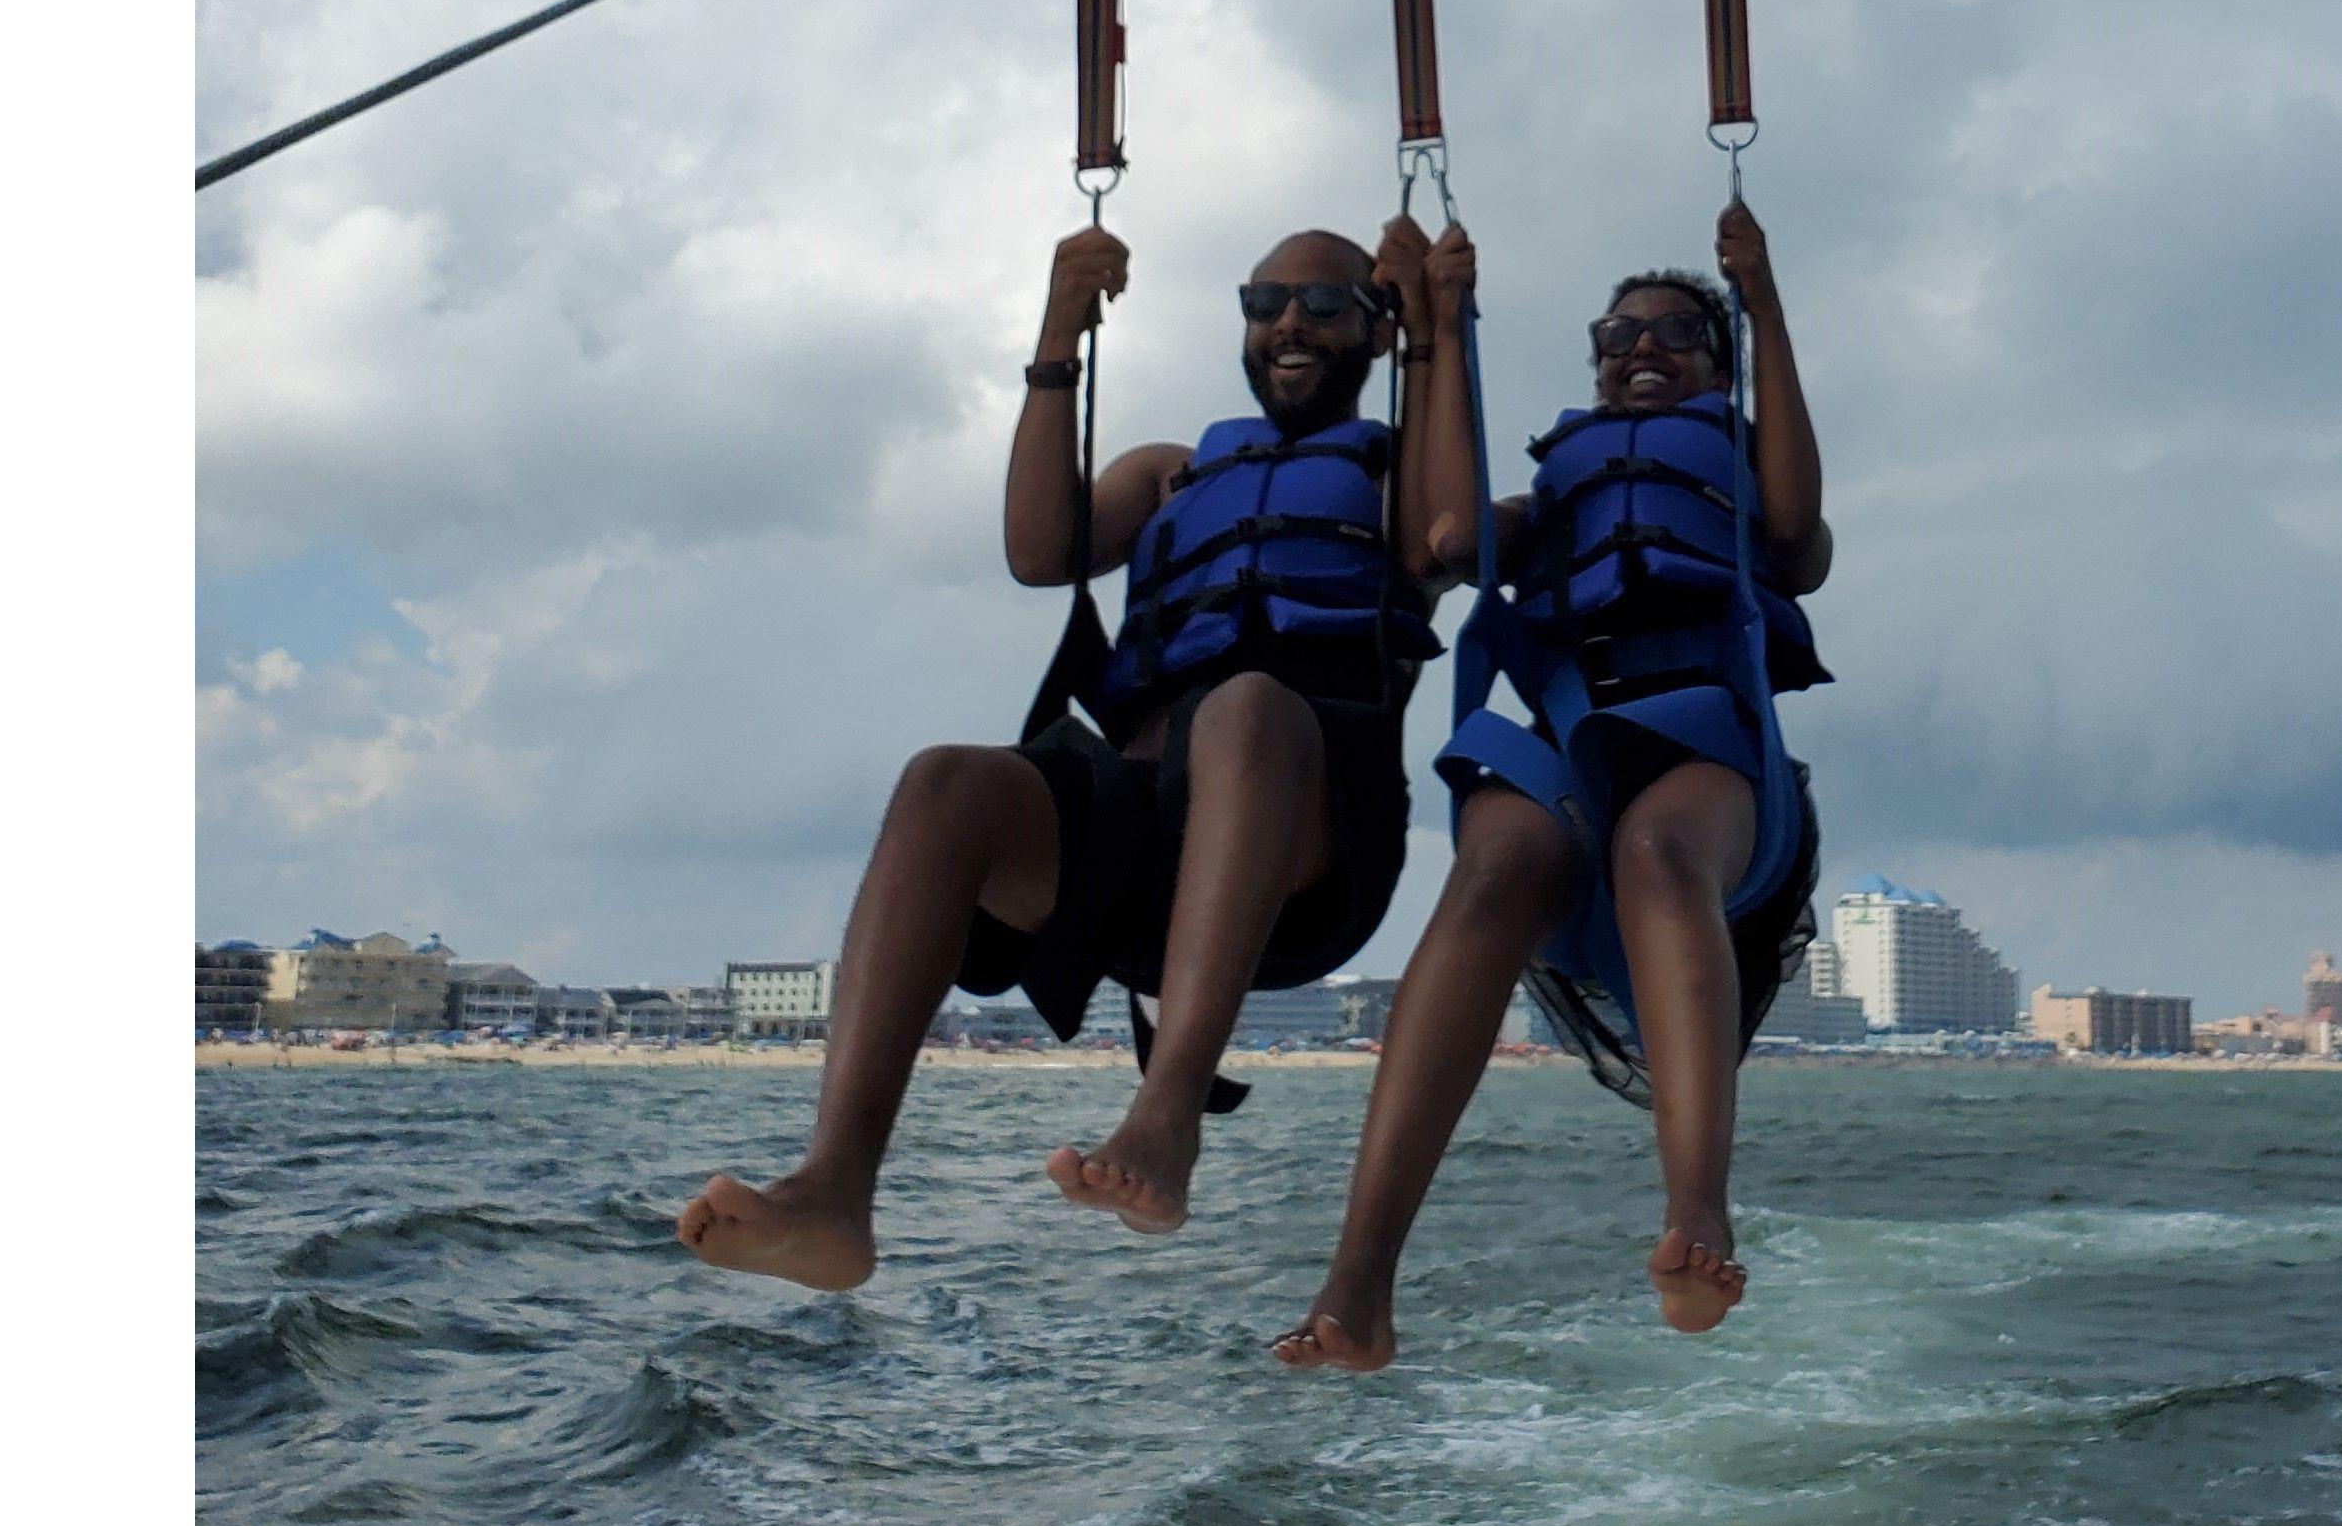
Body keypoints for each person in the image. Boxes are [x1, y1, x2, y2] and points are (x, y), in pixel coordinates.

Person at [676, 216, 1461, 1291]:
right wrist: (1058, 331)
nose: (1289, 321)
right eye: (1263, 302)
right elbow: (1039, 552)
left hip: (1312, 859)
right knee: (946, 780)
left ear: (1374, 331)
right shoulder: (1172, 476)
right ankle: (834, 1191)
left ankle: (1168, 1112)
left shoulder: (1397, 476)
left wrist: (1442, 328)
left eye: (1325, 305)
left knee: (1245, 709)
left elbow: (1448, 535)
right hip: (1135, 855)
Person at [1278, 199, 1825, 1368]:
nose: (1642, 347)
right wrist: (1444, 325)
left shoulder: (1744, 473)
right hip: (1571, 734)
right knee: (1493, 867)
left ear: (1721, 368)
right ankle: (1357, 1289)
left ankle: (1697, 1214)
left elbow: (1796, 525)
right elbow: (1450, 542)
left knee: (1654, 853)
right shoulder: (1556, 494)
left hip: (1706, 745)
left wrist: (1762, 299)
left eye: (1677, 333)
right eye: (1617, 334)